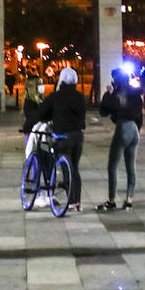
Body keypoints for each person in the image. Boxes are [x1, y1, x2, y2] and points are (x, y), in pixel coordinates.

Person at [35, 67, 87, 212]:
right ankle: (77, 202)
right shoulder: (80, 97)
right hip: (77, 135)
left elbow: (42, 113)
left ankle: (70, 202)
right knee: (75, 168)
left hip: (63, 136)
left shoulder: (55, 96)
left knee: (66, 168)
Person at [96, 68, 143, 211]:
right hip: (134, 129)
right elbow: (139, 114)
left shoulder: (116, 93)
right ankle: (129, 199)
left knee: (112, 166)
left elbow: (103, 111)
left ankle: (111, 199)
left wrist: (108, 94)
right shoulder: (135, 92)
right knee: (130, 166)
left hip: (122, 128)